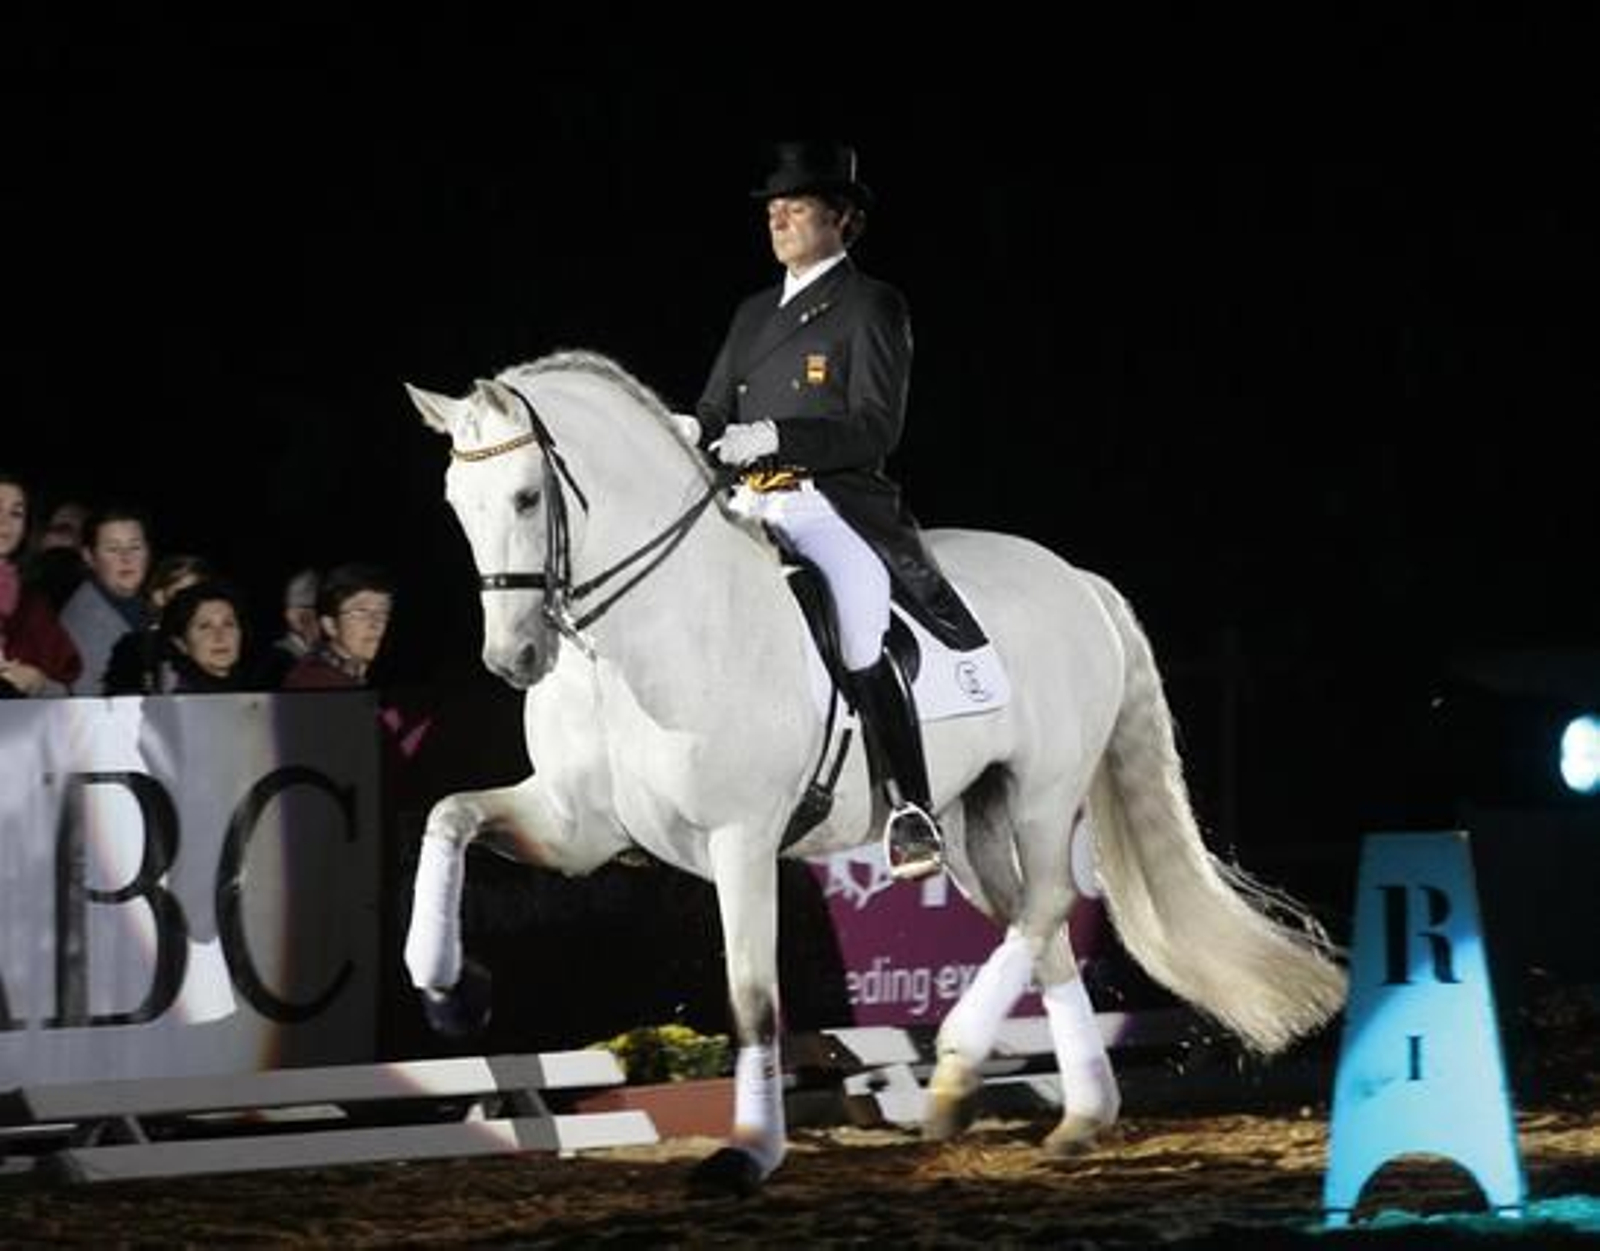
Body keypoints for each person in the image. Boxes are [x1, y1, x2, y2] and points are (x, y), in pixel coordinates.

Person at [689, 141, 943, 881]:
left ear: (843, 220)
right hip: (745, 502)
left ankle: (911, 807)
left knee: (861, 620)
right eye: (774, 207)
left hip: (826, 502)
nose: (778, 217)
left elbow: (874, 427)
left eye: (796, 207)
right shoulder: (752, 313)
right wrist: (684, 430)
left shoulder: (872, 306)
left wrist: (774, 435)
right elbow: (711, 409)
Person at [0, 471, 82, 697]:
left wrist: (39, 682)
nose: (4, 522)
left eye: (16, 513)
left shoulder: (33, 604)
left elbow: (67, 689)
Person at [59, 506, 152, 694]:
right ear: (89, 557)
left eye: (135, 547)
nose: (126, 558)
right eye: (112, 549)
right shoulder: (83, 623)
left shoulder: (150, 607)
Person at [103, 553, 215, 694]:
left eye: (201, 594)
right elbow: (118, 703)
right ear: (159, 596)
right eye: (183, 593)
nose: (193, 602)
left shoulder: (220, 644)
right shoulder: (134, 648)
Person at [283, 563, 394, 689]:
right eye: (360, 612)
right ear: (330, 625)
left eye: (383, 611)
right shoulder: (313, 681)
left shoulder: (352, 673)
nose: (376, 623)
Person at [158, 580, 250, 692]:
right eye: (205, 627)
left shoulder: (262, 694)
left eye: (228, 624)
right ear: (181, 643)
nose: (220, 636)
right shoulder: (173, 700)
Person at [259, 567, 321, 687]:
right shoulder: (276, 658)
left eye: (313, 608)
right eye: (302, 608)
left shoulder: (330, 653)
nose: (308, 616)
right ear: (288, 613)